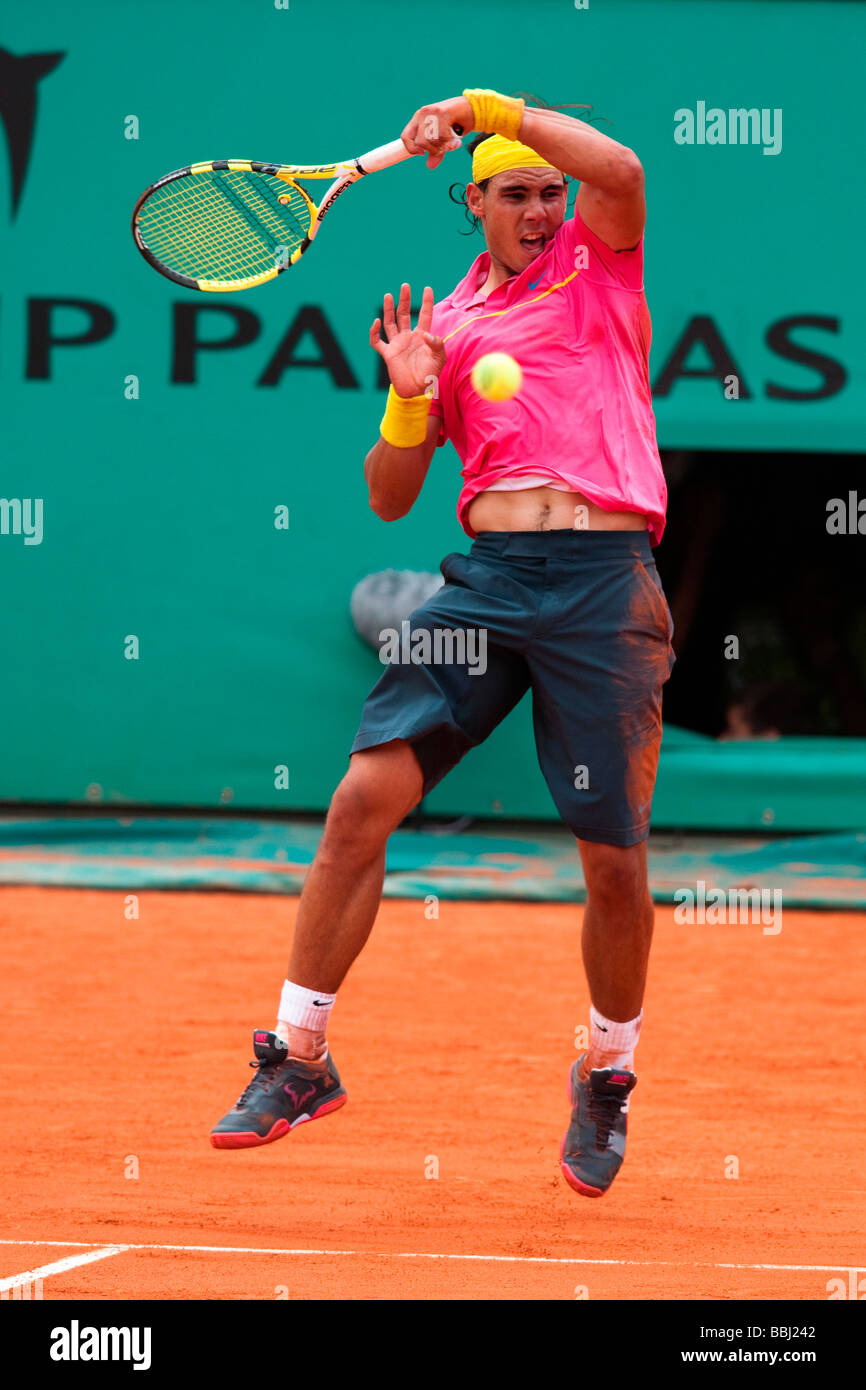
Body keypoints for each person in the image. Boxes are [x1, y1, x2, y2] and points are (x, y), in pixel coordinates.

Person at [211, 89, 674, 1199]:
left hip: (604, 584)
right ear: (471, 203)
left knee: (612, 861)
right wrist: (407, 400)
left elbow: (617, 165)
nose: (538, 207)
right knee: (359, 800)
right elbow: (386, 501)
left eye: (545, 192)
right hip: (490, 583)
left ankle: (604, 1075)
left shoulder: (599, 259)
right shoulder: (450, 325)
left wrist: (479, 106)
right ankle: (298, 1058)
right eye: (513, 192)